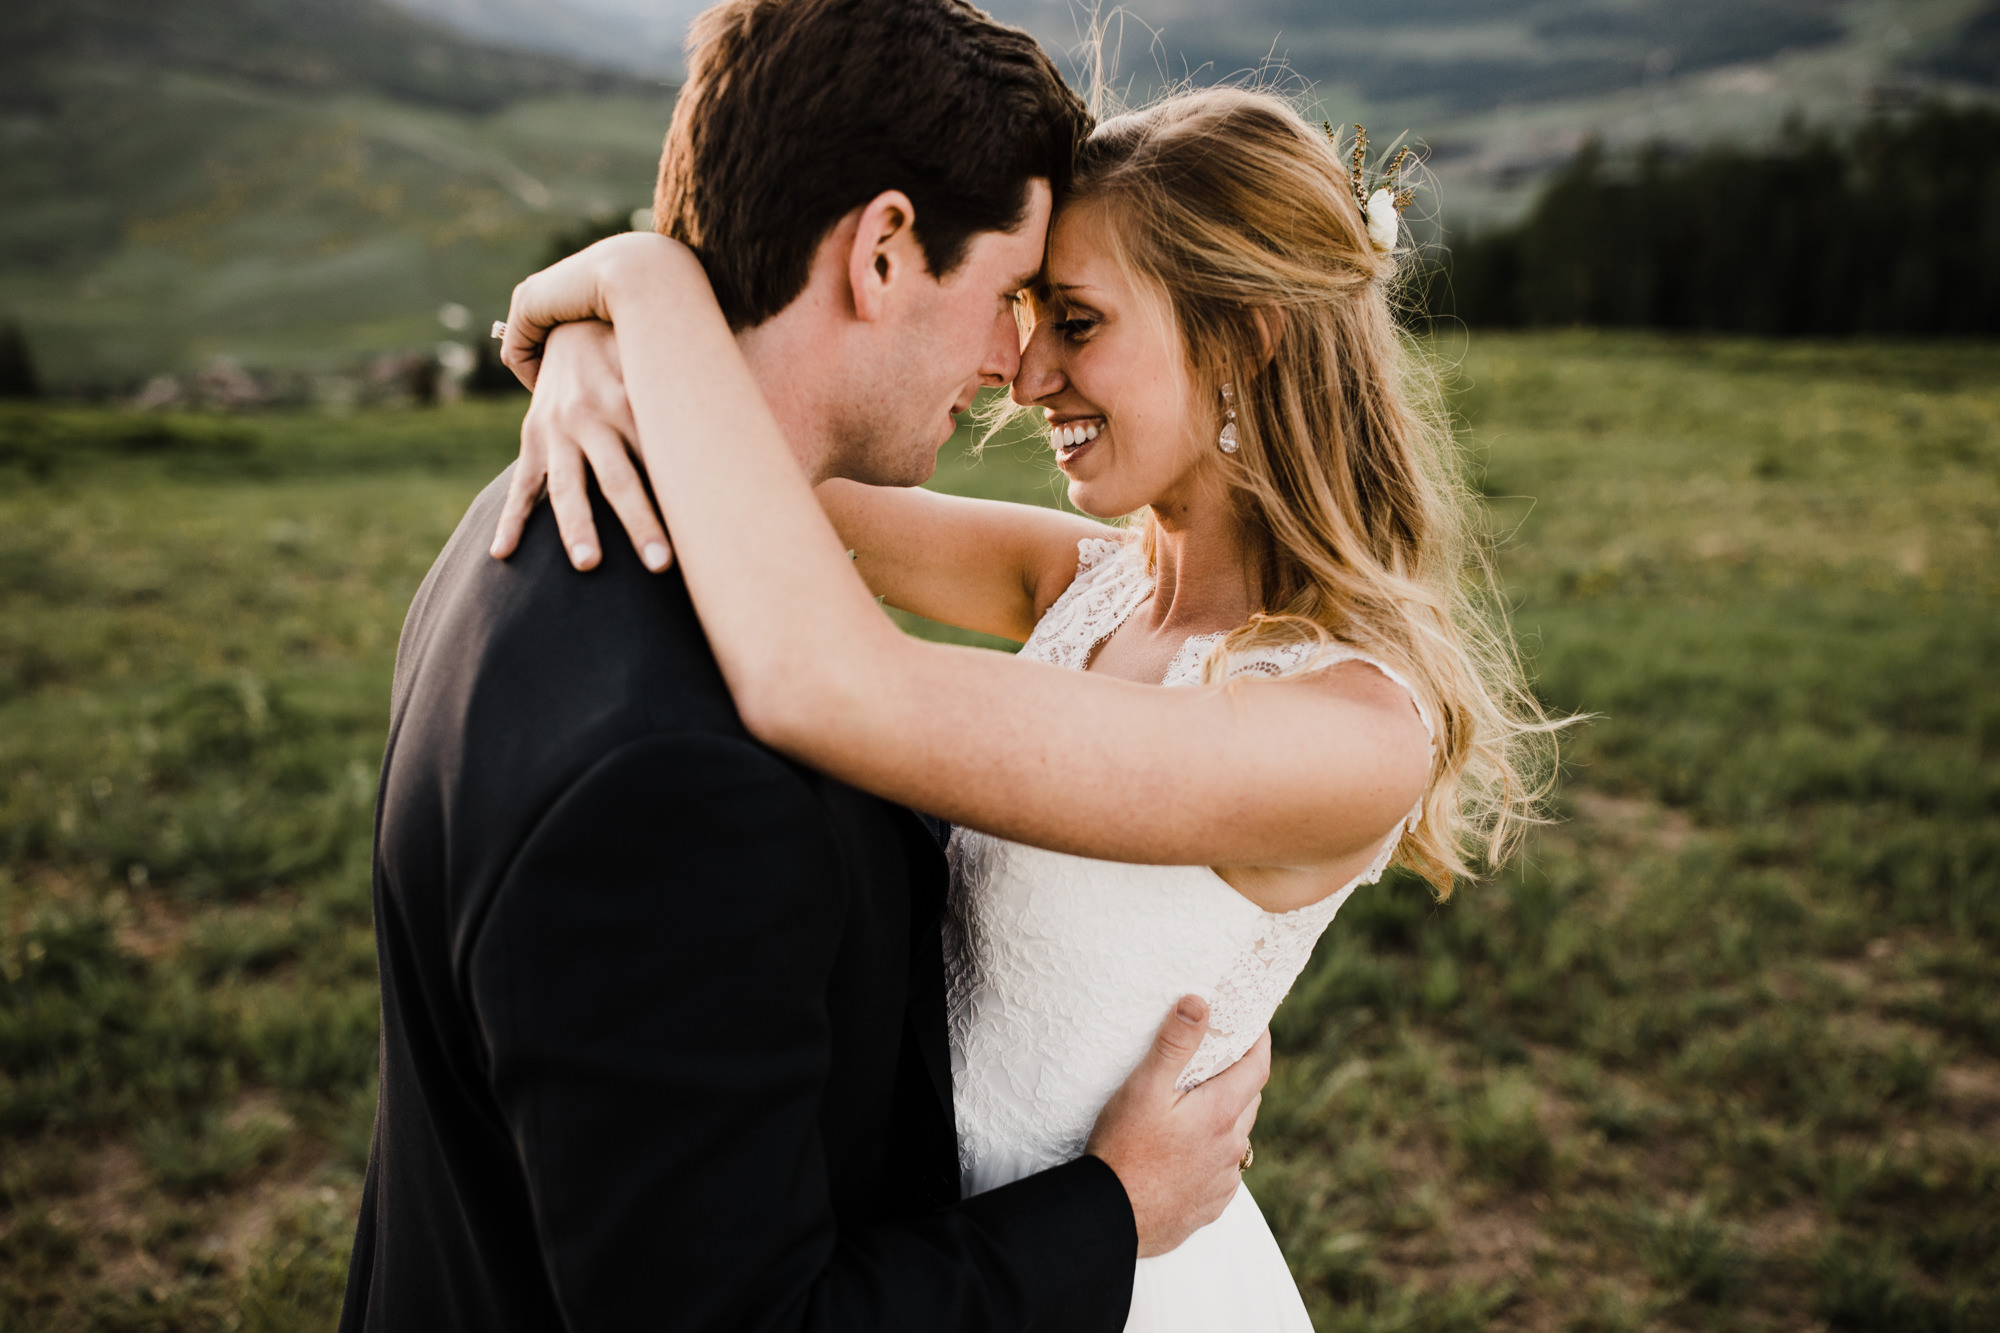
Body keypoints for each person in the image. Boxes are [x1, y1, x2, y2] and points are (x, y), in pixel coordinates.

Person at [491, 85, 1563, 1329]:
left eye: (1078, 321)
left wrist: (636, 283)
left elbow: (831, 685)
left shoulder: (1347, 734)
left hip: (1104, 1286)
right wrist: (584, 351)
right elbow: (753, 468)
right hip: (933, 1263)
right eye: (1025, 310)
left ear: (1244, 340)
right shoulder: (1083, 583)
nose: (1026, 370)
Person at [338, 4, 1272, 1331]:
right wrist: (1112, 1214)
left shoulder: (545, 513)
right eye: (1006, 294)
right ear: (885, 249)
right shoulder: (680, 782)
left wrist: (622, 313)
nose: (1015, 362)